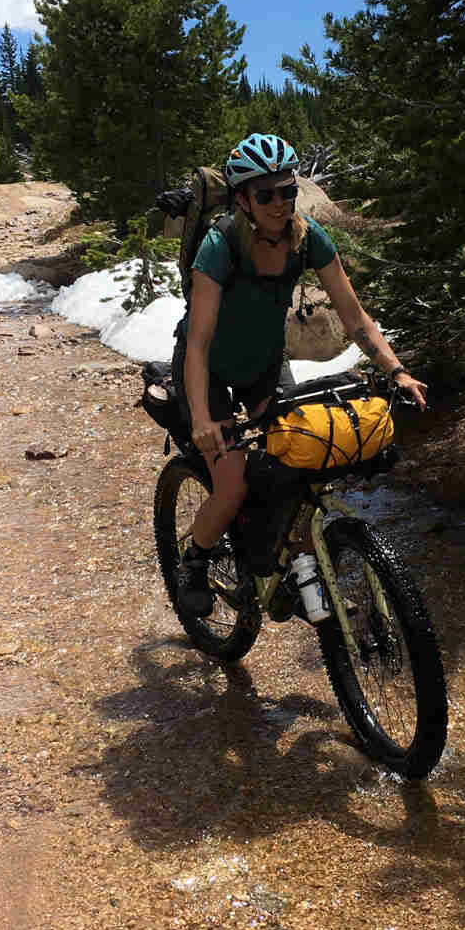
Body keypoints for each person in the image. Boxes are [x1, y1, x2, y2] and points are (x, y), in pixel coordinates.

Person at [172, 132, 427, 616]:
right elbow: (199, 343)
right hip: (207, 371)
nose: (279, 202)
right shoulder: (220, 245)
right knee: (232, 484)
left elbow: (356, 319)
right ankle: (194, 561)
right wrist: (203, 420)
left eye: (287, 190)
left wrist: (396, 371)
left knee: (300, 455)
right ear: (243, 199)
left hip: (265, 365)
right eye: (265, 194)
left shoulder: (309, 238)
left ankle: (277, 559)